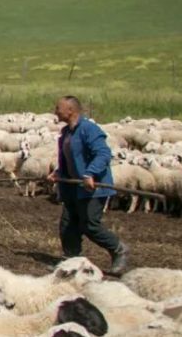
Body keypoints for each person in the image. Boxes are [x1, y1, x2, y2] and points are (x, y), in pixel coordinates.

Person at [47, 96, 129, 274]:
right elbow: (70, 160)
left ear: (70, 110)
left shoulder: (89, 129)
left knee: (90, 225)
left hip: (93, 187)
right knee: (68, 225)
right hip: (73, 188)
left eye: (58, 108)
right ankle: (72, 261)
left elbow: (103, 154)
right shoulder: (66, 133)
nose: (55, 111)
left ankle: (119, 249)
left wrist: (90, 173)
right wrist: (59, 172)